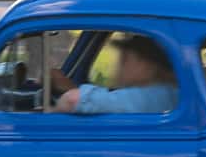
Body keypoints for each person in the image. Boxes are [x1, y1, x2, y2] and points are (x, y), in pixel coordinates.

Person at [49, 33, 178, 114]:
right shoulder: (170, 92)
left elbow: (73, 100)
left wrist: (51, 113)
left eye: (125, 59)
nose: (119, 65)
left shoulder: (153, 96)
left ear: (147, 66)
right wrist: (69, 87)